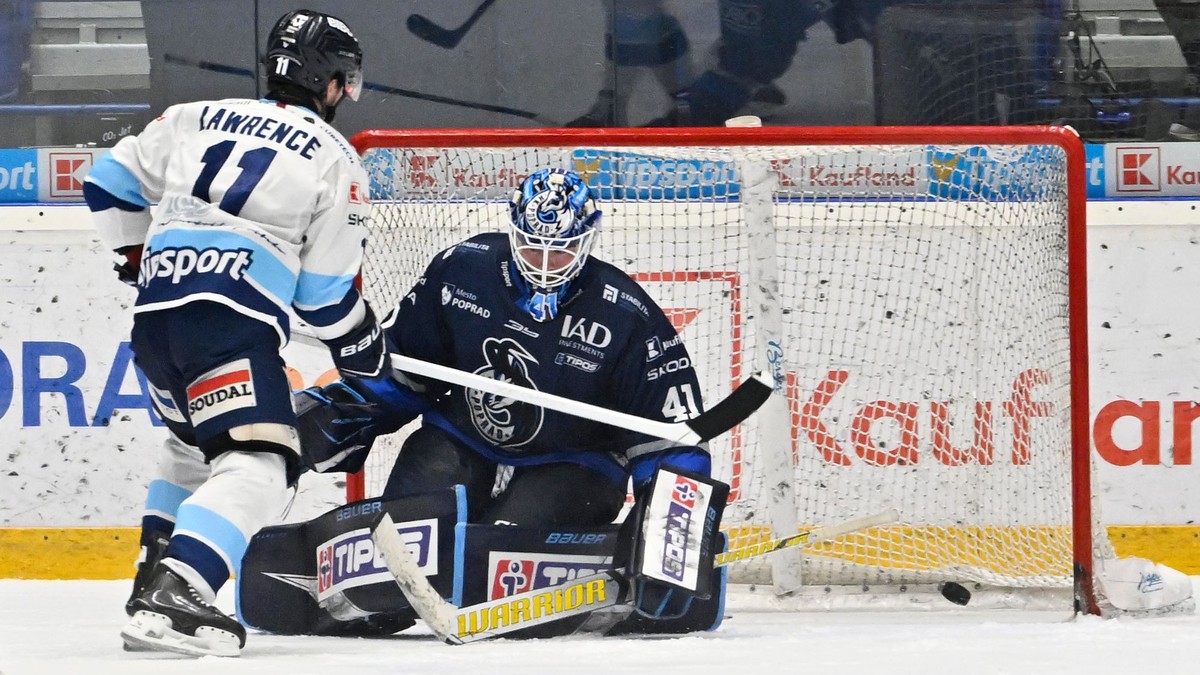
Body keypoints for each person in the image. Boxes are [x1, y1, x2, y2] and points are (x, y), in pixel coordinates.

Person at [82, 9, 387, 658]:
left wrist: (135, 256)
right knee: (264, 462)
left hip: (155, 324)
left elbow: (106, 183)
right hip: (227, 326)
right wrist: (366, 346)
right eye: (343, 82)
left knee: (193, 446)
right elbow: (323, 300)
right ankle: (182, 586)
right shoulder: (334, 159)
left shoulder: (193, 116)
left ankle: (150, 584)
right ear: (330, 82)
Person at [302, 167, 724, 627]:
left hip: (572, 462)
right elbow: (404, 369)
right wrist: (349, 410)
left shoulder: (624, 313)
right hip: (459, 439)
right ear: (513, 228)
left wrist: (670, 544)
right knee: (385, 593)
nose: (544, 264)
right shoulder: (463, 269)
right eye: (531, 246)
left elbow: (673, 441)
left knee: (504, 578)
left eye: (560, 252)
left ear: (587, 241)